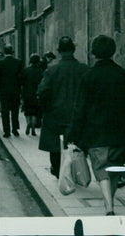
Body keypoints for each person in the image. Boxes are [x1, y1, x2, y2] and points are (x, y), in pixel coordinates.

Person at [68, 35, 125, 216]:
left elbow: (80, 109)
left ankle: (109, 207)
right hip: (120, 133)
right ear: (113, 51)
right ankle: (110, 202)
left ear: (94, 53)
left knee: (101, 169)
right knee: (115, 169)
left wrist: (74, 135)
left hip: (96, 134)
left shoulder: (89, 76)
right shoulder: (122, 74)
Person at [36, 36, 88, 178]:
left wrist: (47, 109)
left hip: (55, 116)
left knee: (56, 148)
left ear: (59, 51)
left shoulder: (51, 70)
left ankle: (60, 173)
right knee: (76, 147)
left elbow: (42, 93)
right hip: (78, 116)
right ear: (73, 50)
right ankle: (77, 173)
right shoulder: (84, 69)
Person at [0, 45, 23, 137]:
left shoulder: (0, 63)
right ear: (12, 52)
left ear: (4, 52)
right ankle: (15, 129)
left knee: (5, 111)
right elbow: (21, 77)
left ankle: (7, 131)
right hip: (15, 91)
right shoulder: (18, 62)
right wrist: (19, 88)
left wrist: (1, 89)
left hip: (4, 92)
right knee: (15, 111)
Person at [20, 54, 45, 136]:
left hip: (27, 94)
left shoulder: (25, 70)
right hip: (37, 94)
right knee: (35, 112)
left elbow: (22, 83)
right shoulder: (41, 71)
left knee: (27, 111)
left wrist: (21, 96)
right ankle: (33, 127)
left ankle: (28, 123)